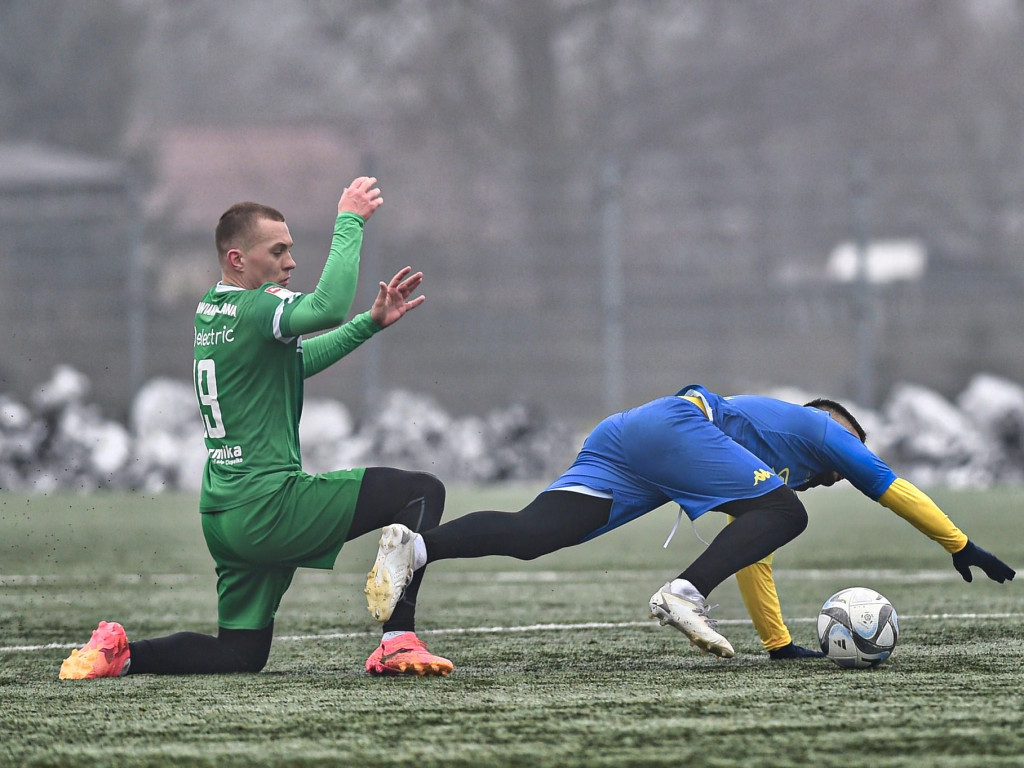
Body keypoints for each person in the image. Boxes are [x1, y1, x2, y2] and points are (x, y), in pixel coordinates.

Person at [60, 176, 454, 680]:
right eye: (279, 250)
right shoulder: (257, 307)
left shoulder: (213, 308)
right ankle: (397, 640)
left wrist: (368, 325)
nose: (291, 262)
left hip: (224, 514)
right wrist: (350, 219)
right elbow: (327, 307)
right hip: (270, 506)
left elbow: (291, 363)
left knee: (240, 655)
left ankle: (122, 653)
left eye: (290, 249)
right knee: (421, 494)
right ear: (237, 260)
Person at [364, 385, 1015, 660]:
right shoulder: (824, 431)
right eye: (848, 457)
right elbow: (892, 486)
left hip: (631, 437)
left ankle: (417, 547)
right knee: (784, 511)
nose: (844, 471)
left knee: (537, 535)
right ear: (837, 430)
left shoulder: (760, 460)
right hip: (675, 423)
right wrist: (960, 543)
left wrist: (778, 644)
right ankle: (682, 593)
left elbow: (750, 549)